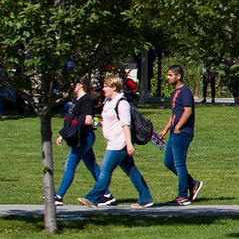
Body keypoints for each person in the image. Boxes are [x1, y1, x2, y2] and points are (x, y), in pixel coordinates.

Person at [79, 76, 153, 208]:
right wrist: (97, 124)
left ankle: (93, 198)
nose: (103, 89)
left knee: (105, 170)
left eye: (106, 86)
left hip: (120, 143)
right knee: (131, 170)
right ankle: (146, 198)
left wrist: (129, 144)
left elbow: (126, 125)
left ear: (114, 87)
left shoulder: (122, 103)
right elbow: (110, 121)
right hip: (112, 141)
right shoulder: (108, 102)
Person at [54, 81, 108, 205]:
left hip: (84, 137)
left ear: (81, 84)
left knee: (70, 165)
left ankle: (59, 196)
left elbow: (89, 120)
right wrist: (63, 134)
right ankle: (107, 194)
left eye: (74, 83)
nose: (72, 86)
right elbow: (71, 121)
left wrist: (97, 124)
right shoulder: (76, 100)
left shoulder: (86, 100)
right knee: (93, 166)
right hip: (79, 136)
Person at [157, 65, 201, 205]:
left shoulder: (185, 91)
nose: (167, 77)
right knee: (168, 162)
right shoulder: (175, 92)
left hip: (182, 133)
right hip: (174, 132)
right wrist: (166, 128)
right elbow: (175, 113)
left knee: (179, 164)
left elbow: (188, 111)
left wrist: (178, 127)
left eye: (170, 75)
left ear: (178, 76)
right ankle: (192, 183)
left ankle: (183, 196)